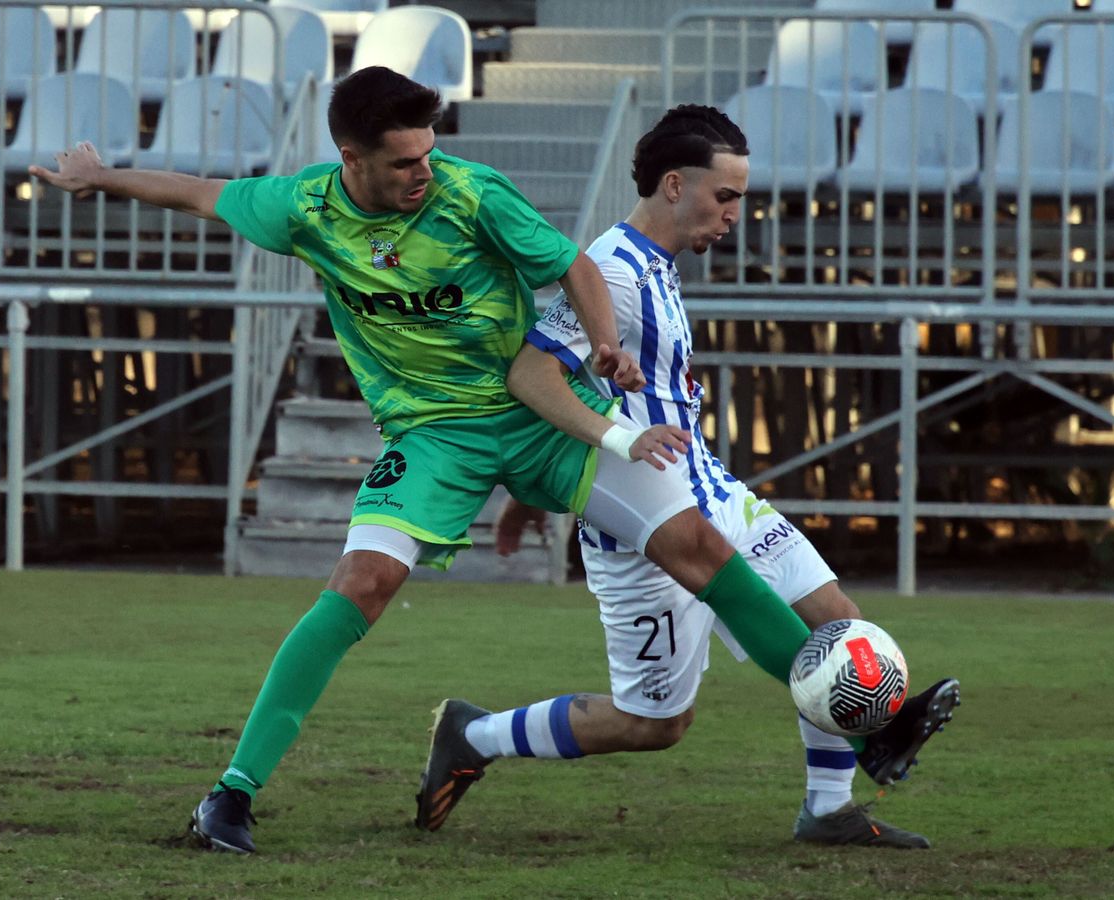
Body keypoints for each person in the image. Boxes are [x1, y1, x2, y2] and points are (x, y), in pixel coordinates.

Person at [30, 68, 829, 854]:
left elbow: (575, 267)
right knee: (360, 586)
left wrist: (608, 349)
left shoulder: (471, 191)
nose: (425, 170)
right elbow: (201, 193)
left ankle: (848, 706)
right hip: (432, 435)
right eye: (406, 161)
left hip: (538, 419)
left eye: (429, 151)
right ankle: (230, 797)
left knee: (697, 546)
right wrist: (102, 177)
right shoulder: (302, 208)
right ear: (353, 158)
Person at [412, 106, 961, 848]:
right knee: (654, 723)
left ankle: (831, 804)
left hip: (711, 492)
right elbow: (533, 375)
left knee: (835, 618)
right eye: (725, 196)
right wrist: (605, 445)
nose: (736, 213)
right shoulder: (611, 270)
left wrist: (528, 497)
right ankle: (476, 735)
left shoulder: (655, 263)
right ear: (675, 185)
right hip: (646, 526)